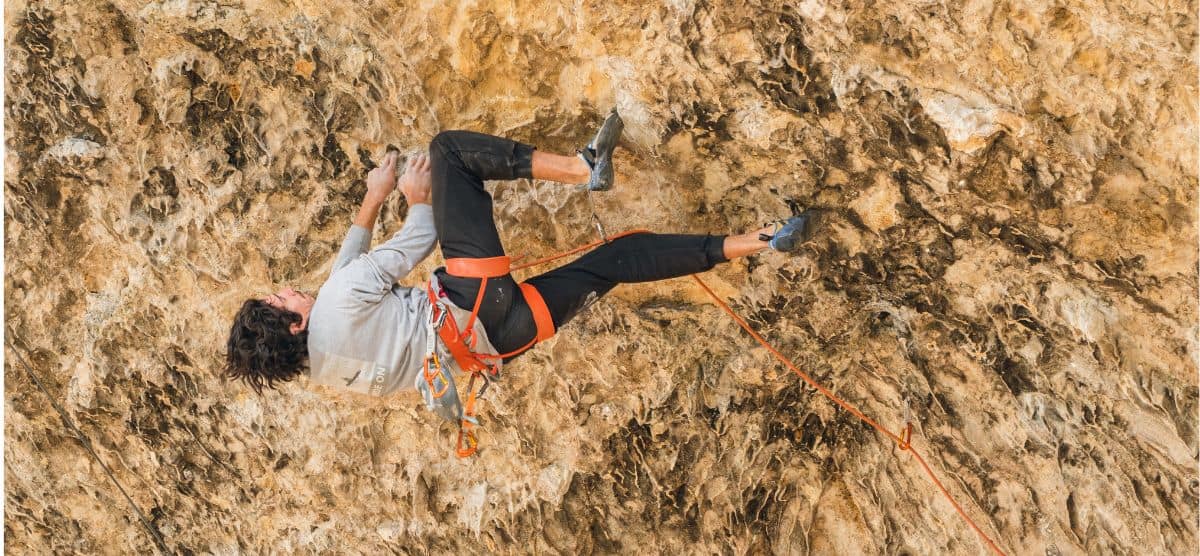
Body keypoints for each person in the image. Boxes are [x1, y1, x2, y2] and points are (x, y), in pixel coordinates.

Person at [224, 110, 826, 426]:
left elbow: (343, 283)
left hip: (501, 340)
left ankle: (765, 240)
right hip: (475, 297)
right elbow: (421, 236)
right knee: (449, 152)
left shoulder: (329, 368)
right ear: (294, 326)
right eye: (281, 303)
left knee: (614, 261)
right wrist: (409, 192)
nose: (285, 291)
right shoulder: (334, 303)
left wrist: (371, 198)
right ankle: (582, 167)